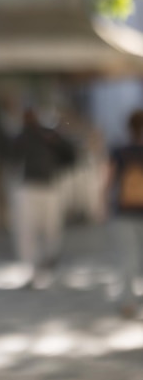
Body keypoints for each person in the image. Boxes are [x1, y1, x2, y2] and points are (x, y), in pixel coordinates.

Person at [7, 107, 76, 288]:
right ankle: (32, 269)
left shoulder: (50, 136)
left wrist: (56, 140)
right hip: (28, 189)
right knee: (27, 231)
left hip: (49, 188)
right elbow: (11, 157)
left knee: (51, 229)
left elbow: (70, 155)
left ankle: (49, 263)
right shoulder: (22, 137)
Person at [105, 108, 143, 318]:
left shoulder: (119, 151)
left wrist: (104, 207)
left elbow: (108, 182)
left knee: (127, 260)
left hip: (124, 213)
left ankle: (128, 303)